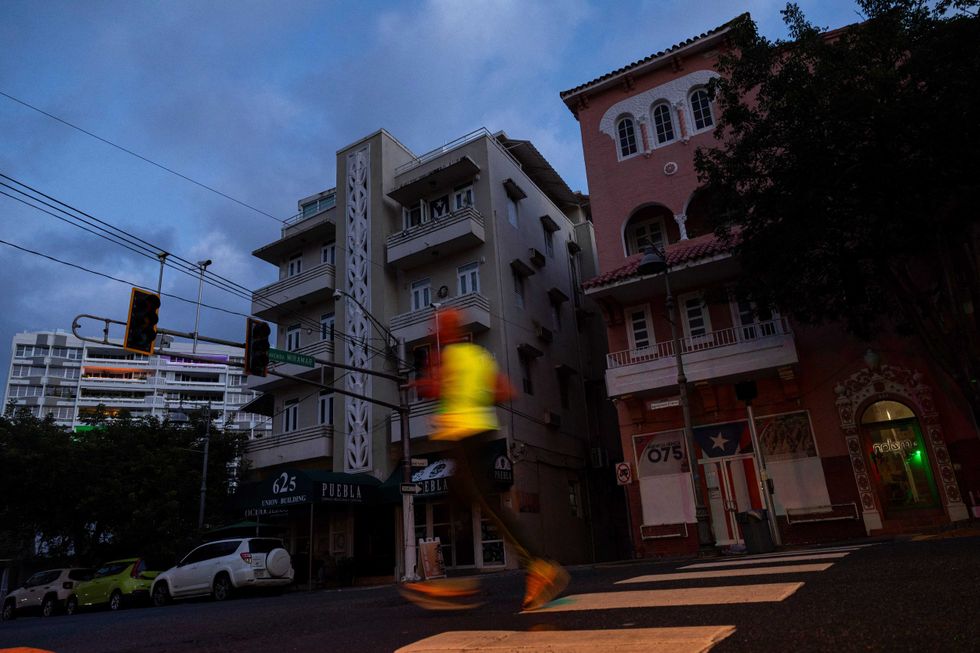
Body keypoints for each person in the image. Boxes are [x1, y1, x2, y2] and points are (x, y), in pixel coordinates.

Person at [399, 308, 569, 611]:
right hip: (478, 435)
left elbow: (437, 389)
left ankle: (540, 567)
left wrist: (420, 384)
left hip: (465, 438)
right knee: (461, 502)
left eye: (437, 326)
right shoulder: (478, 355)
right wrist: (476, 394)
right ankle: (461, 581)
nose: (433, 330)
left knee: (486, 505)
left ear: (447, 331)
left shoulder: (449, 356)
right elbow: (506, 390)